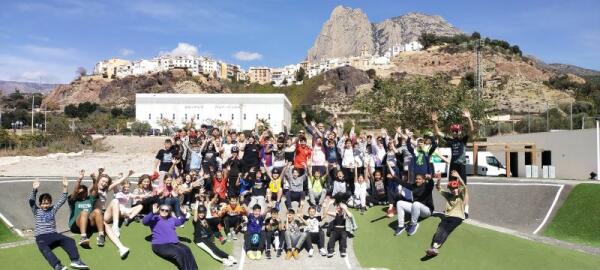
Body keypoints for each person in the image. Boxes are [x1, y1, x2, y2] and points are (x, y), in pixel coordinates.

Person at [30, 178, 89, 270]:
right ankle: (57, 266)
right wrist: (34, 190)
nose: (46, 205)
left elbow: (62, 200)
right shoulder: (37, 211)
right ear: (40, 204)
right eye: (44, 203)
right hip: (41, 236)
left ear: (50, 203)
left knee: (69, 241)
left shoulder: (52, 209)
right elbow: (31, 201)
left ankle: (75, 261)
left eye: (48, 203)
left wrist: (65, 187)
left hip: (53, 234)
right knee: (44, 249)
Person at [426, 171, 469, 257]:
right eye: (452, 189)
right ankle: (434, 246)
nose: (454, 190)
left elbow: (464, 187)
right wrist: (439, 179)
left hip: (458, 217)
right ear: (450, 189)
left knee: (447, 230)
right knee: (439, 229)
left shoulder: (461, 195)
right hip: (447, 216)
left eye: (456, 188)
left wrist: (458, 176)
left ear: (458, 188)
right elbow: (438, 188)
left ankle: (435, 247)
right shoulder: (449, 196)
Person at [143, 204, 198, 270]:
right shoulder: (155, 218)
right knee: (179, 252)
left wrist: (184, 214)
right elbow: (144, 222)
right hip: (160, 245)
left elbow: (180, 222)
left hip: (174, 243)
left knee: (187, 249)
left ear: (169, 212)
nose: (164, 211)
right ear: (159, 210)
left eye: (166, 210)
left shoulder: (171, 219)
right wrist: (152, 213)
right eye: (162, 210)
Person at [91, 171, 130, 259]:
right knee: (105, 225)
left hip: (103, 215)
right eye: (103, 181)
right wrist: (96, 175)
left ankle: (115, 226)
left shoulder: (105, 190)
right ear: (98, 180)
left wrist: (127, 175)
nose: (104, 183)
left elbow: (117, 182)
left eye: (106, 182)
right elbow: (93, 185)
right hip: (94, 217)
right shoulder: (93, 189)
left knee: (115, 201)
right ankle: (121, 247)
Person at [68, 170, 98, 249]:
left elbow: (95, 190)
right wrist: (79, 180)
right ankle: (83, 237)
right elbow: (74, 192)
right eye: (78, 192)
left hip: (89, 224)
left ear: (85, 192)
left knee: (98, 212)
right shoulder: (73, 201)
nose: (79, 193)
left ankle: (101, 235)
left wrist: (94, 180)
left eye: (81, 191)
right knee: (84, 212)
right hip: (75, 226)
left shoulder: (90, 200)